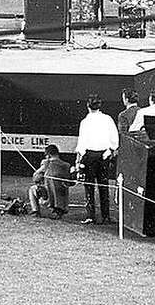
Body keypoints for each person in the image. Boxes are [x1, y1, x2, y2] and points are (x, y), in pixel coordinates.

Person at [75, 96, 119, 225]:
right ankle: (106, 216)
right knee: (103, 186)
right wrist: (109, 151)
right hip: (103, 155)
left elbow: (81, 143)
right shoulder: (107, 119)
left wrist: (80, 159)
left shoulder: (85, 122)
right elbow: (115, 139)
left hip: (90, 155)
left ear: (88, 106)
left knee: (89, 187)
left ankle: (91, 216)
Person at [27, 144, 72, 218]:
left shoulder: (46, 163)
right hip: (62, 201)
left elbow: (35, 178)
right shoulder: (67, 165)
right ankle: (58, 210)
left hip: (48, 198)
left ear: (48, 155)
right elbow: (70, 182)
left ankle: (35, 210)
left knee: (32, 189)